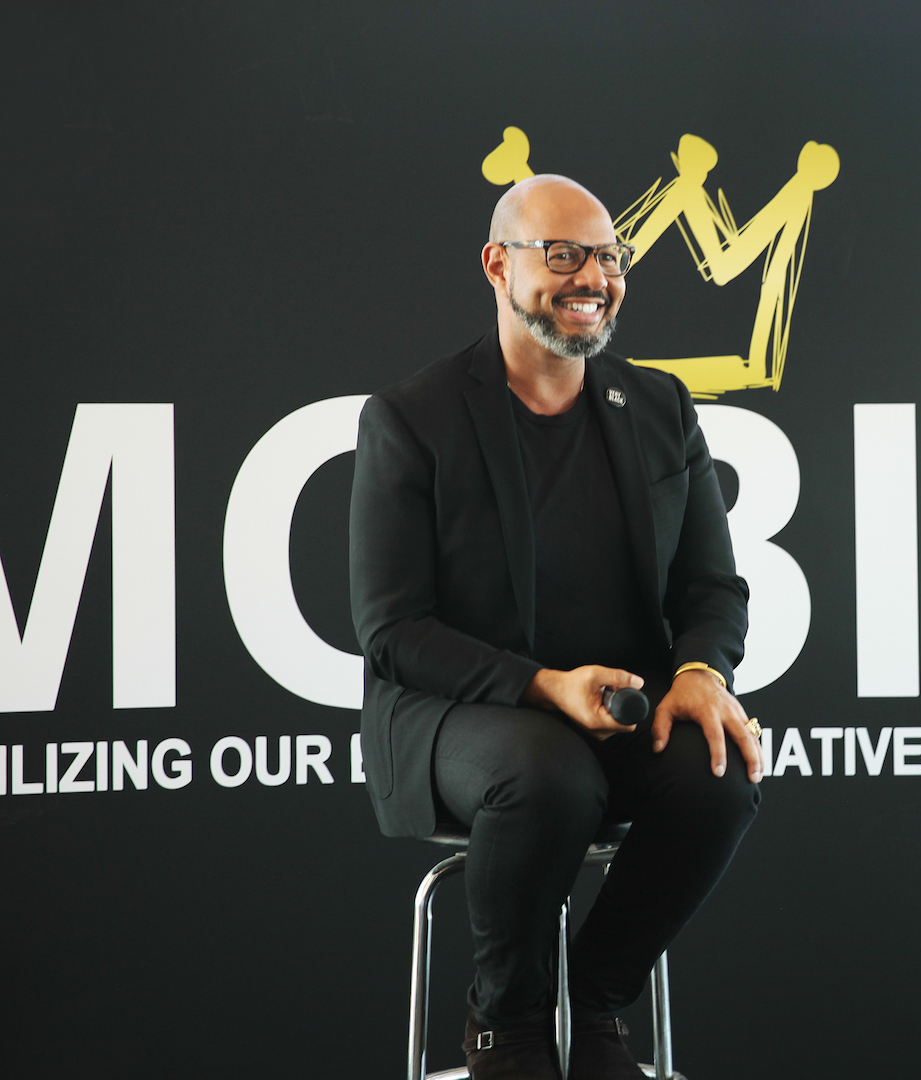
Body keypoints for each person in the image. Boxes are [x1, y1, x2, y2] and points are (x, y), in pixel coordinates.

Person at [350, 173, 763, 1080]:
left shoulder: (660, 407)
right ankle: (506, 1024)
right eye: (564, 255)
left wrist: (701, 673)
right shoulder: (412, 418)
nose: (594, 279)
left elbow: (711, 586)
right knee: (550, 774)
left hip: (617, 710)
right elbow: (393, 631)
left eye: (610, 257)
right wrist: (545, 687)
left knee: (718, 773)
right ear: (499, 265)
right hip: (453, 716)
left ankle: (595, 1001)